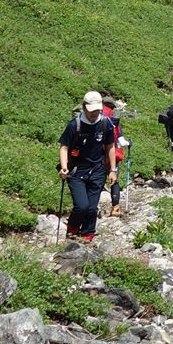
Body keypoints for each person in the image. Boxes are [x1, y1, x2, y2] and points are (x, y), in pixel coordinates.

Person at [59, 90, 117, 242]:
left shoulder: (105, 123)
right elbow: (64, 147)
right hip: (76, 171)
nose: (94, 114)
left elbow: (110, 146)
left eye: (97, 110)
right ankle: (72, 230)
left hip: (98, 170)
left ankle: (87, 234)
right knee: (81, 206)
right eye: (91, 111)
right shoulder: (74, 125)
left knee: (92, 208)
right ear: (84, 107)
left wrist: (112, 170)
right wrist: (64, 167)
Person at [101, 98, 130, 216]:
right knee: (114, 179)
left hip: (98, 154)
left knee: (98, 179)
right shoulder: (114, 120)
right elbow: (121, 141)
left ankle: (93, 208)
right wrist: (129, 143)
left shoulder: (97, 116)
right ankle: (115, 207)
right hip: (113, 155)